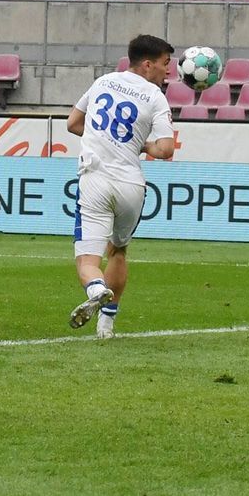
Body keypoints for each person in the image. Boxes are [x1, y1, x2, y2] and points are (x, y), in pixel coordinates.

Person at [66, 34, 176, 339]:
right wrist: (139, 146)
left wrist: (102, 140)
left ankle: (97, 289)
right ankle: (107, 323)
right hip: (131, 185)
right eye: (166, 64)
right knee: (118, 251)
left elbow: (73, 123)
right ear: (147, 64)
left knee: (88, 260)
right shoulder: (156, 98)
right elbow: (166, 150)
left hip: (95, 179)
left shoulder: (103, 81)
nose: (169, 71)